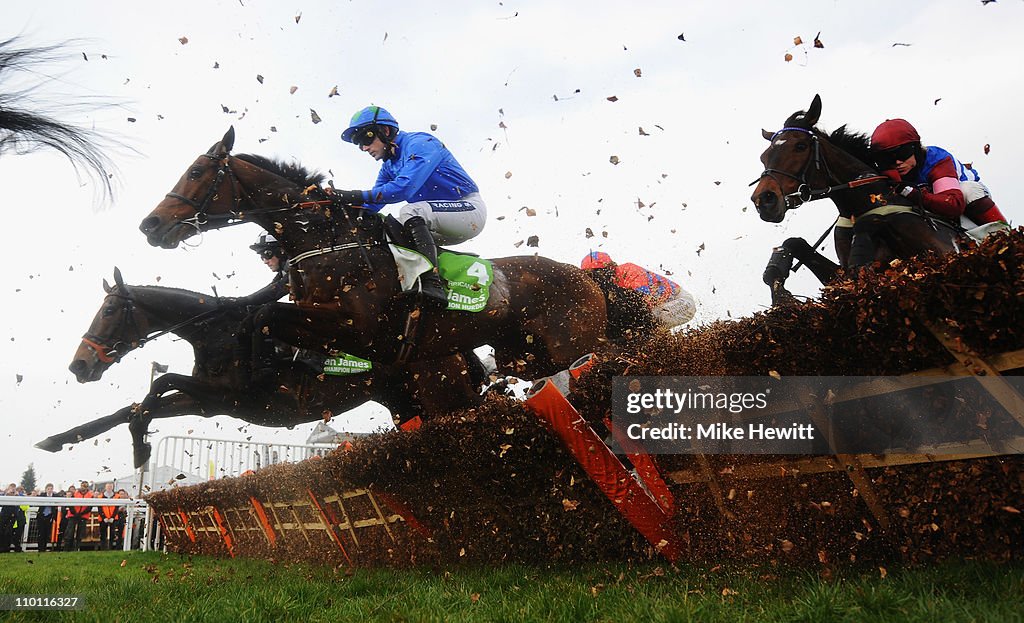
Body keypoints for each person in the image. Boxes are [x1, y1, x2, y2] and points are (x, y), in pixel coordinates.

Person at [333, 105, 487, 307]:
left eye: (365, 139)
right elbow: (372, 204)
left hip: (468, 210)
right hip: (435, 220)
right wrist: (337, 209)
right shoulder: (388, 166)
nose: (363, 147)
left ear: (385, 131)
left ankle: (432, 283)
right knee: (388, 228)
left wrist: (350, 194)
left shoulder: (421, 143)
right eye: (358, 143)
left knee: (409, 210)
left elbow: (403, 188)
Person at [869, 119, 1008, 227]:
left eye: (902, 153)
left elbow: (953, 205)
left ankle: (1007, 236)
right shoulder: (886, 170)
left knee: (968, 190)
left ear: (916, 149)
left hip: (964, 203)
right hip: (930, 210)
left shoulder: (936, 159)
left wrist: (908, 192)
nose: (897, 162)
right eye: (887, 158)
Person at [580, 252, 696, 329]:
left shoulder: (628, 270)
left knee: (649, 320)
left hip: (681, 301)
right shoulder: (611, 284)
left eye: (598, 273)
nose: (597, 279)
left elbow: (644, 302)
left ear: (610, 267)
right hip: (661, 306)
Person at [62, 480, 93, 551]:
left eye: (85, 486)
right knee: (69, 532)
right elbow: (71, 505)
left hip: (83, 516)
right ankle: (66, 549)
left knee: (80, 533)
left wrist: (81, 514)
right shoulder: (75, 493)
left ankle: (76, 548)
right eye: (82, 486)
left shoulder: (90, 495)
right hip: (73, 515)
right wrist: (75, 513)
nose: (83, 488)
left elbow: (89, 507)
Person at [35, 483, 59, 552]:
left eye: (51, 489)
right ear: (46, 489)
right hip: (41, 516)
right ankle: (40, 549)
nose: (50, 490)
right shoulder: (42, 495)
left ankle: (44, 548)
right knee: (41, 533)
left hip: (50, 517)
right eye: (48, 489)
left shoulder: (55, 496)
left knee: (47, 533)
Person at [98, 482, 116, 550]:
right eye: (108, 487)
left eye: (110, 487)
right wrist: (104, 517)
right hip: (103, 518)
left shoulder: (116, 496)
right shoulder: (100, 496)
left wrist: (113, 517)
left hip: (113, 518)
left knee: (112, 533)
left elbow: (116, 508)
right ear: (105, 488)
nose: (109, 488)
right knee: (103, 534)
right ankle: (103, 548)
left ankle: (110, 548)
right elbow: (99, 508)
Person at [0, 483, 17, 552]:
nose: (12, 489)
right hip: (3, 517)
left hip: (11, 518)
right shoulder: (4, 495)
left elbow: (16, 508)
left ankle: (6, 548)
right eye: (11, 488)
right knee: (1, 532)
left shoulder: (16, 497)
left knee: (8, 533)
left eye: (14, 488)